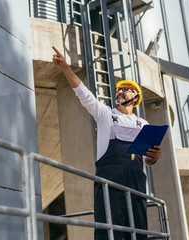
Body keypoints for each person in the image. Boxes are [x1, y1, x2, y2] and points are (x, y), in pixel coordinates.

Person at [52, 46, 162, 240]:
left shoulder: (143, 124)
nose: (120, 91)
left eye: (126, 90)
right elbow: (84, 94)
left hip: (136, 182)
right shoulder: (106, 115)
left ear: (135, 98)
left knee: (138, 231)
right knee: (109, 230)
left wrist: (153, 157)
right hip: (110, 180)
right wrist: (66, 68)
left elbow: (147, 161)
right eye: (119, 89)